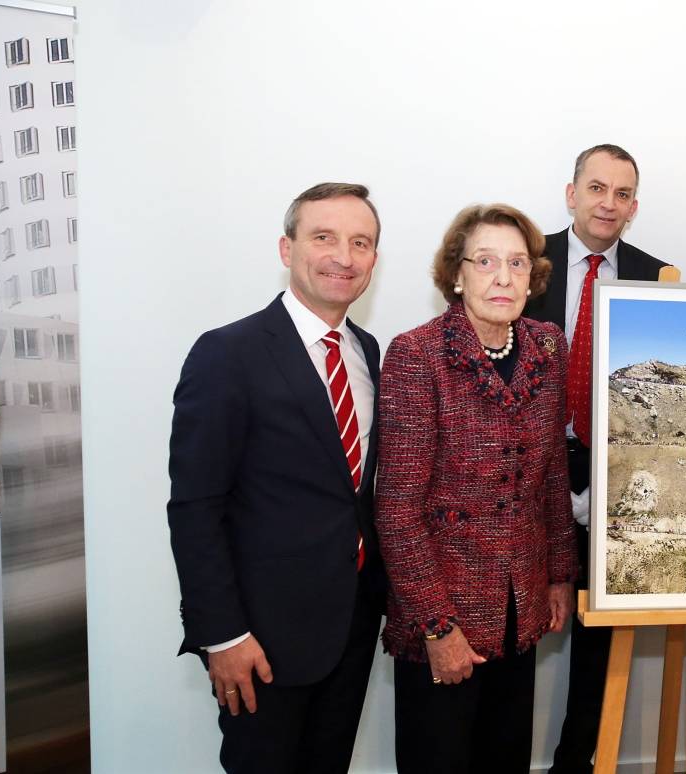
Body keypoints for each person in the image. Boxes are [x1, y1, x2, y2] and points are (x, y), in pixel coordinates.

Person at [167, 182, 386, 774]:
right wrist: (222, 635)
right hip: (260, 642)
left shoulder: (369, 352)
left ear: (372, 261)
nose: (344, 255)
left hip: (351, 627)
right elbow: (194, 507)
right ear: (287, 249)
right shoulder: (226, 354)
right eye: (325, 237)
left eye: (360, 242)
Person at [376, 203, 578, 774]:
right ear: (457, 273)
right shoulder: (417, 355)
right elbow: (396, 511)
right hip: (445, 613)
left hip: (521, 605)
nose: (504, 277)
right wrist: (438, 627)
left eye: (517, 263)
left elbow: (551, 478)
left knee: (505, 758)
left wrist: (560, 574)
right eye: (485, 261)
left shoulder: (546, 347)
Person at [524, 144, 667, 774]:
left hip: (616, 481)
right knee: (517, 629)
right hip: (531, 479)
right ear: (571, 192)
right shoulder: (525, 263)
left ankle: (575, 762)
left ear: (635, 205)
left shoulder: (657, 275)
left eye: (623, 193)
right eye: (597, 188)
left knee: (601, 643)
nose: (609, 203)